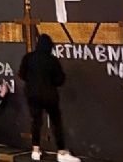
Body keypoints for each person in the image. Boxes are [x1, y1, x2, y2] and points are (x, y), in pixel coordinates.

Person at [19, 34, 80, 162]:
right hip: (49, 95)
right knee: (56, 122)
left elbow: (22, 74)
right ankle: (61, 152)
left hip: (32, 94)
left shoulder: (28, 58)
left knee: (36, 121)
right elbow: (60, 80)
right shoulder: (52, 60)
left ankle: (35, 151)